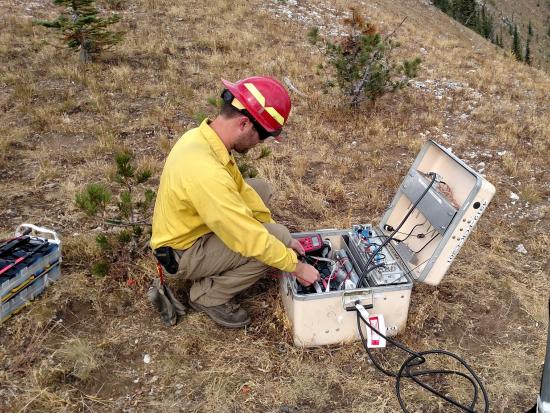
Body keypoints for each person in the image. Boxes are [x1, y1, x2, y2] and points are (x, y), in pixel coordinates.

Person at [150, 76, 320, 328]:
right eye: (262, 135)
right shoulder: (206, 172)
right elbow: (248, 238)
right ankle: (208, 296)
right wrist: (295, 266)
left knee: (260, 190)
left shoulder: (203, 138)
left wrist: (274, 229)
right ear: (244, 123)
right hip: (182, 254)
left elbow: (242, 190)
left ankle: (261, 244)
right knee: (270, 242)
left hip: (193, 228)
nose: (261, 143)